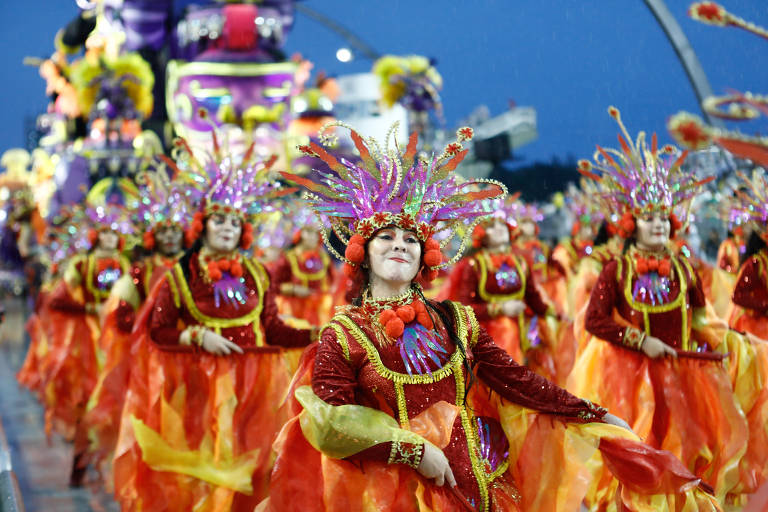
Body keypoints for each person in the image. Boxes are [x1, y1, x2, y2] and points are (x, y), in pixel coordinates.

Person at [263, 124, 719, 512]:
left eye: (410, 238)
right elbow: (329, 421)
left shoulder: (454, 320)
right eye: (386, 237)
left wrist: (590, 413)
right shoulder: (343, 334)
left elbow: (515, 378)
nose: (399, 244)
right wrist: (411, 449)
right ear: (362, 252)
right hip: (392, 490)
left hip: (476, 474)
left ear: (425, 255)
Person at [113, 136, 315, 512]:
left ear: (244, 231)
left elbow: (272, 330)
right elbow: (158, 332)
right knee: (204, 474)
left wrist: (317, 334)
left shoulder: (257, 271)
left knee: (254, 470)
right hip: (199, 387)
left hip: (258, 389)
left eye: (234, 222)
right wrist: (196, 336)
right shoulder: (179, 276)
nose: (227, 228)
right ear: (202, 226)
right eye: (219, 219)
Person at [570, 106, 757, 506]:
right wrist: (640, 341)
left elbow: (703, 318)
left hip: (682, 377)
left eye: (662, 219)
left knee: (688, 452)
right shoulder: (614, 270)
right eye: (648, 218)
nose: (657, 225)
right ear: (631, 224)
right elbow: (595, 321)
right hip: (627, 377)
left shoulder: (684, 269)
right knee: (638, 454)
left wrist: (733, 344)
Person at [82, 166, 189, 483]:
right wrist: (148, 329)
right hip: (152, 357)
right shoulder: (140, 271)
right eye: (163, 231)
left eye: (174, 230)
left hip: (191, 353)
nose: (169, 236)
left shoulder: (196, 266)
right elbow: (122, 313)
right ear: (152, 236)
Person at [40, 203, 132, 486]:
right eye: (103, 234)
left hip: (118, 346)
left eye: (113, 235)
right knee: (88, 407)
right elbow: (57, 300)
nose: (108, 240)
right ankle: (79, 467)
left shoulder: (128, 266)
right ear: (95, 237)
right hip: (90, 348)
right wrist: (92, 310)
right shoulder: (80, 265)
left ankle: (111, 465)